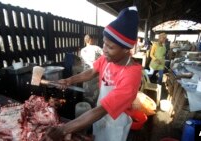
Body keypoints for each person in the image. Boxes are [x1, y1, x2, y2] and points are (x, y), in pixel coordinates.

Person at [42, 6, 142, 141]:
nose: (104, 50)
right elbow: (92, 71)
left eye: (110, 47)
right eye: (104, 44)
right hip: (100, 114)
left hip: (116, 121)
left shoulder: (131, 75)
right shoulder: (107, 58)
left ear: (126, 50)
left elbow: (102, 110)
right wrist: (69, 80)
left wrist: (63, 129)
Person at [80, 34, 103, 107]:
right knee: (96, 93)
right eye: (93, 39)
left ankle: (86, 108)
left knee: (86, 92)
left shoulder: (82, 50)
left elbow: (82, 63)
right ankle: (95, 109)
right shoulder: (97, 48)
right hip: (95, 74)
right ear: (90, 40)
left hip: (85, 74)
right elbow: (105, 58)